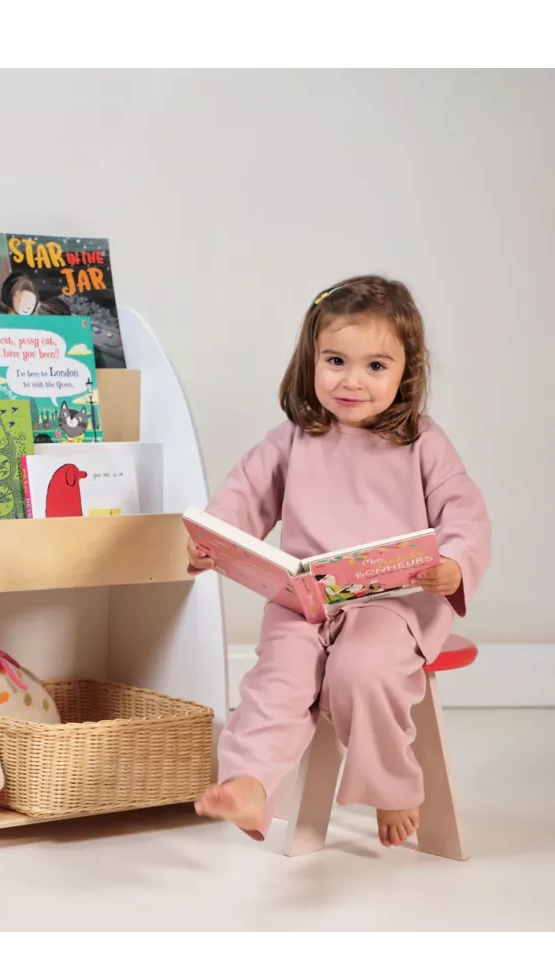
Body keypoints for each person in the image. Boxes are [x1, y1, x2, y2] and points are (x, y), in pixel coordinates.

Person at [188, 276, 490, 848]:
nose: (352, 380)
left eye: (376, 366)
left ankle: (392, 786)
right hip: (305, 605)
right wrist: (214, 540)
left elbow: (465, 515)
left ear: (407, 371)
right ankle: (249, 780)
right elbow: (242, 497)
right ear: (311, 361)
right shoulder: (294, 439)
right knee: (278, 680)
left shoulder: (422, 442)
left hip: (395, 606)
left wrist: (451, 564)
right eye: (335, 360)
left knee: (362, 672)